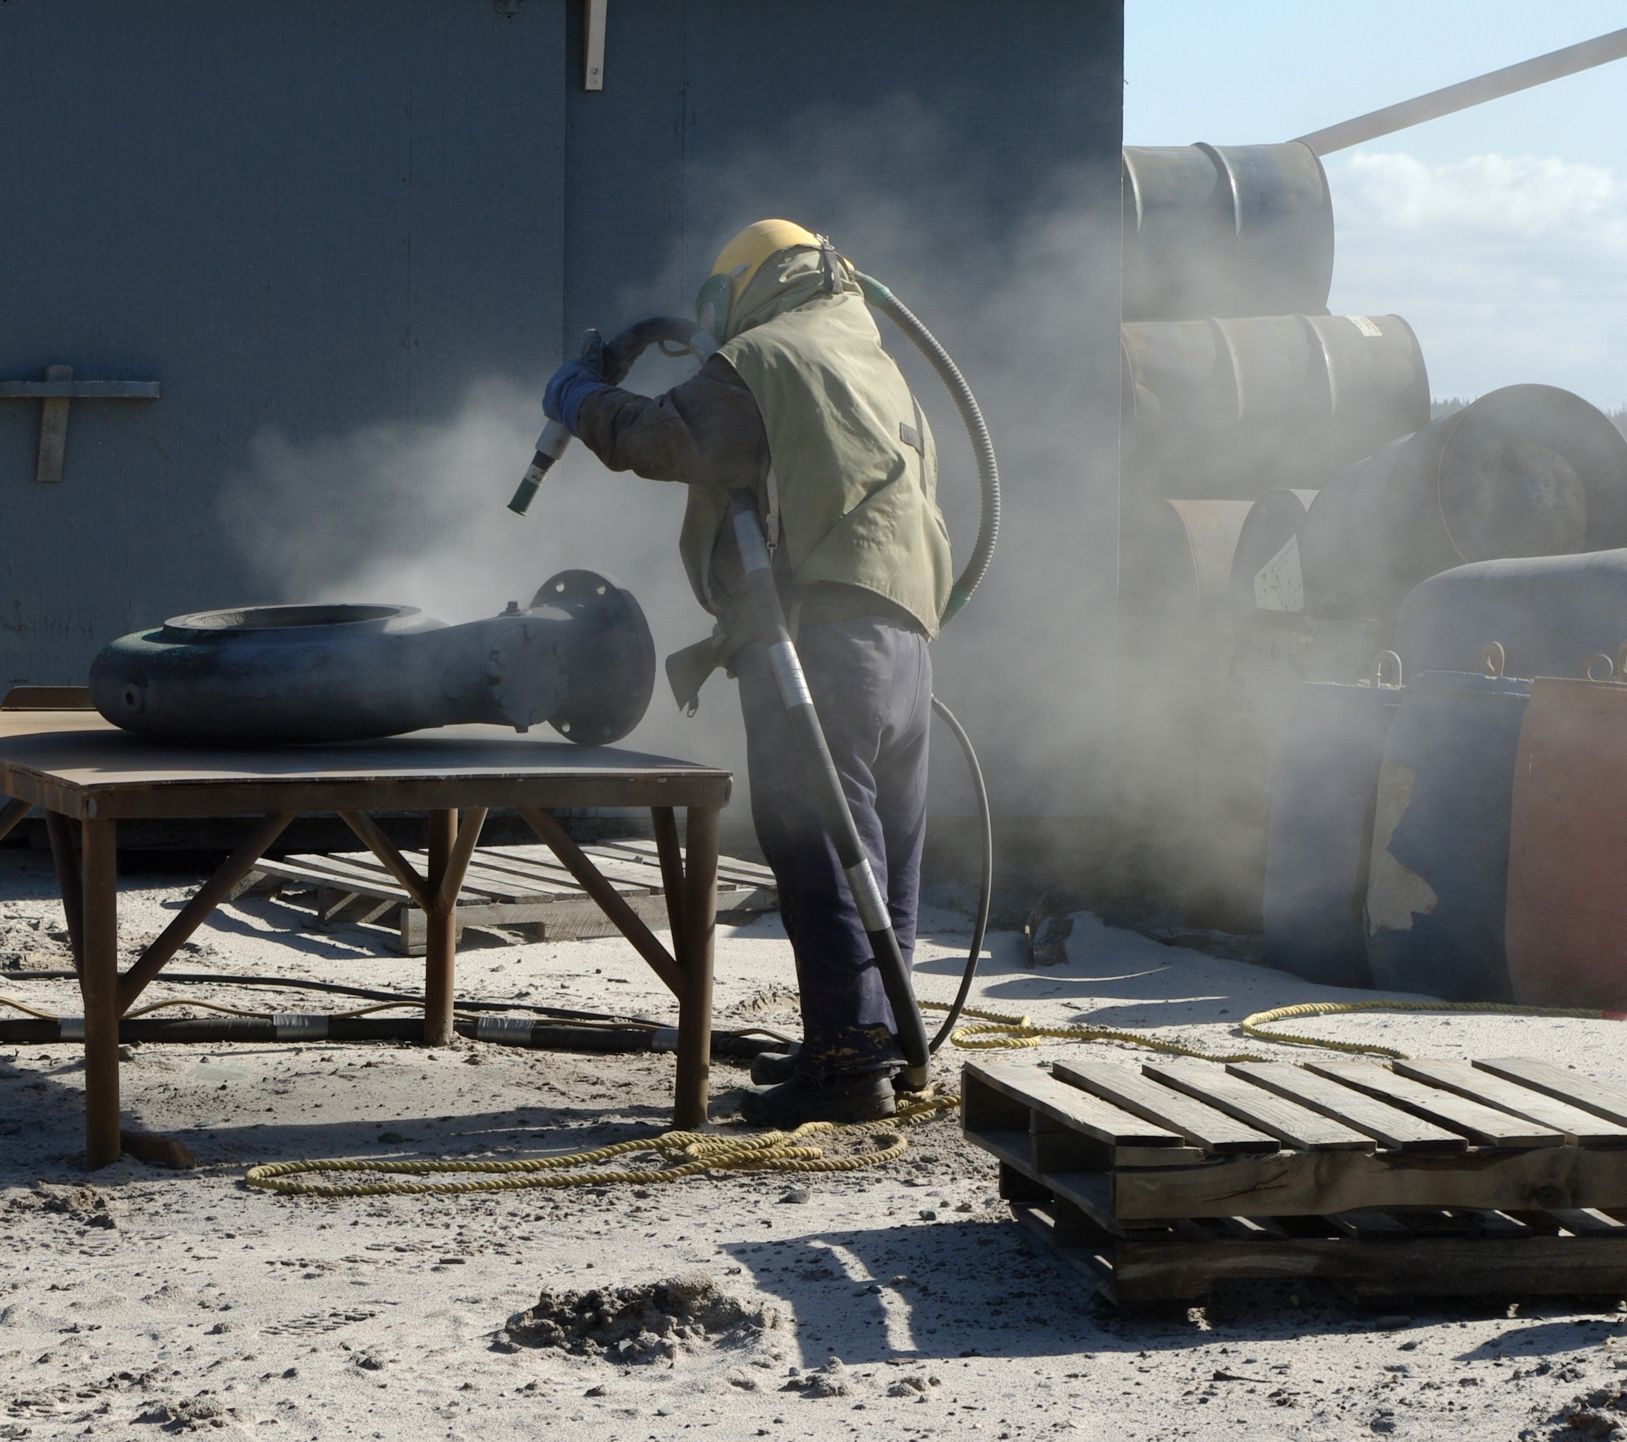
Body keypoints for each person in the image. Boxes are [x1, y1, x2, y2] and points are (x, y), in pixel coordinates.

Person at [542, 219, 953, 1126]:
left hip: (818, 640)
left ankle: (849, 1067)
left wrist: (578, 397)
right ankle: (878, 1039)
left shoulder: (770, 356)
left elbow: (669, 440)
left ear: (750, 288)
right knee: (881, 849)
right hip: (902, 643)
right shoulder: (871, 363)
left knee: (819, 844)